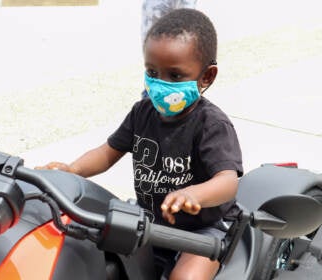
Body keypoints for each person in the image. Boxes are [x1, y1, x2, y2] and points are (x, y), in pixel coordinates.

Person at [37, 8, 243, 280]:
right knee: (94, 258)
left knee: (185, 279)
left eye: (175, 76)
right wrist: (73, 170)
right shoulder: (142, 112)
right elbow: (107, 152)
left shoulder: (211, 124)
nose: (160, 84)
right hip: (150, 220)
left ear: (206, 77)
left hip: (203, 229)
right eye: (152, 71)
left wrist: (194, 195)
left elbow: (227, 181)